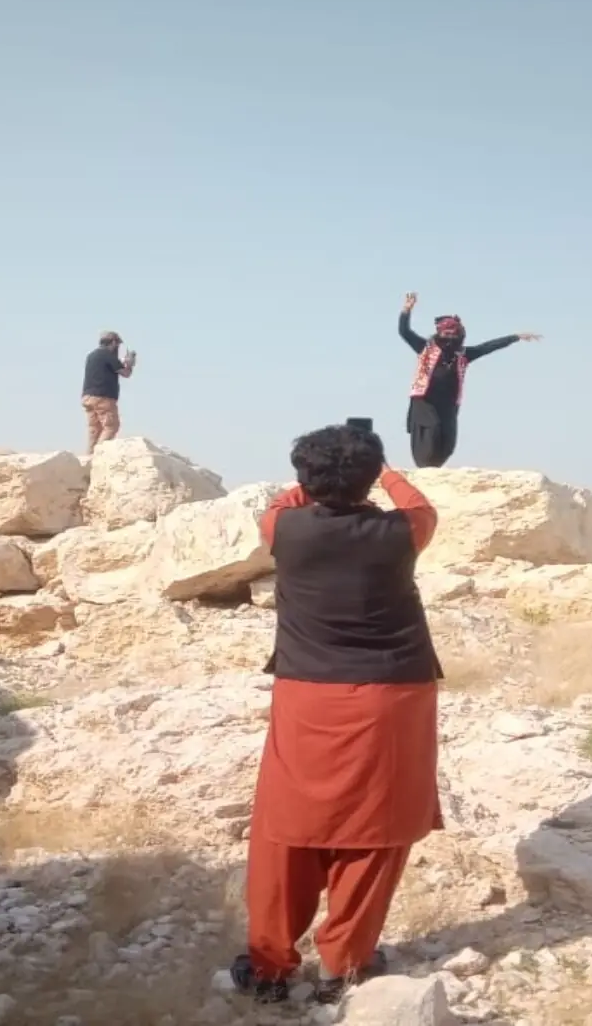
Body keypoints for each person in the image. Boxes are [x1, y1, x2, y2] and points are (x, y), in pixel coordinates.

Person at [230, 424, 443, 1005]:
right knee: (375, 831)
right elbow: (420, 504)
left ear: (304, 477)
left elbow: (287, 497)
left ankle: (270, 967)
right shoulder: (405, 529)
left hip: (306, 694)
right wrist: (386, 470)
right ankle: (344, 965)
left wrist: (322, 480)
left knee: (286, 830)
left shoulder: (282, 526)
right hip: (393, 697)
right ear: (372, 478)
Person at [397, 291, 539, 468]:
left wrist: (515, 337)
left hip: (448, 402)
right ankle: (424, 466)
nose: (449, 338)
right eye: (446, 333)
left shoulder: (463, 354)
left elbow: (488, 347)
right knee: (432, 430)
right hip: (425, 401)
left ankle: (436, 469)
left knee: (448, 439)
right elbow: (404, 331)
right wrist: (406, 309)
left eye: (453, 334)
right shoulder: (425, 348)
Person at [81, 330, 137, 453]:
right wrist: (129, 363)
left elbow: (108, 368)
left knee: (94, 431)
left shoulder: (92, 355)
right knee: (111, 427)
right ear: (112, 342)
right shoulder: (108, 355)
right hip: (103, 397)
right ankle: (99, 455)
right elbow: (125, 373)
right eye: (117, 344)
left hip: (88, 397)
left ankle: (88, 460)